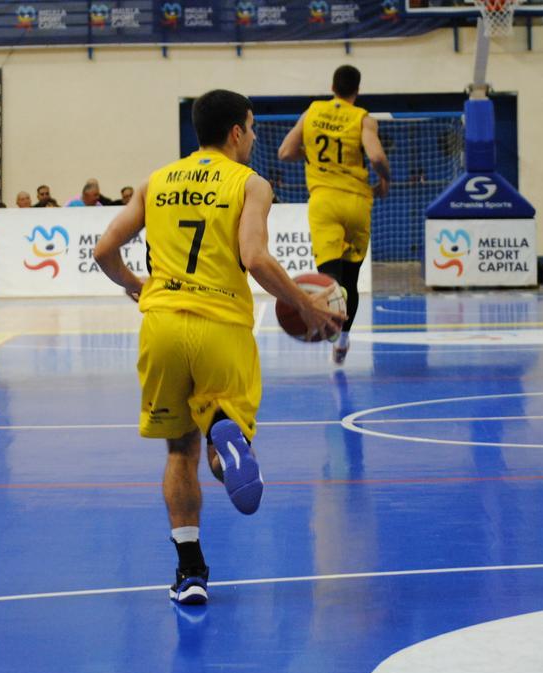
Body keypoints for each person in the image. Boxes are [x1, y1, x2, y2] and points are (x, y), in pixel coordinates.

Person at [93, 89, 345, 605]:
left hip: (161, 324)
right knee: (220, 445)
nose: (253, 137)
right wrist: (308, 304)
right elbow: (254, 256)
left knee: (177, 452)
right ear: (236, 132)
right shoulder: (250, 184)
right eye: (251, 128)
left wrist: (135, 284)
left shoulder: (155, 181)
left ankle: (190, 573)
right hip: (220, 326)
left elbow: (103, 249)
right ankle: (224, 435)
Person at [276, 64, 390, 365]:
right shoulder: (362, 118)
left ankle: (325, 327)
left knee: (331, 278)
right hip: (356, 202)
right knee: (351, 279)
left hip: (324, 201)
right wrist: (385, 180)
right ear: (357, 90)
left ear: (332, 88)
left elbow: (285, 152)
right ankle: (343, 340)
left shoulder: (312, 111)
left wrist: (311, 156)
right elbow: (376, 157)